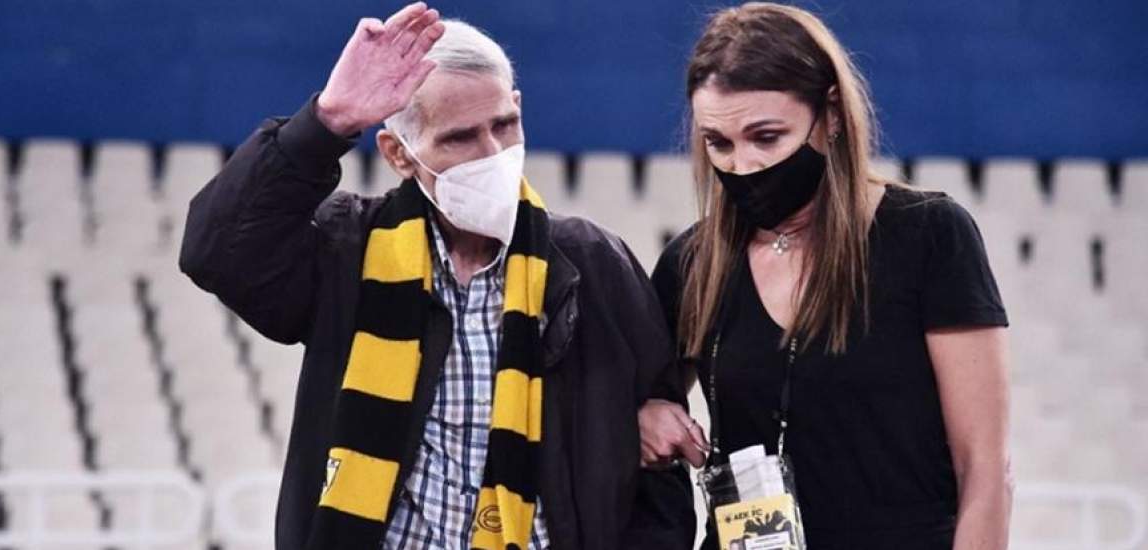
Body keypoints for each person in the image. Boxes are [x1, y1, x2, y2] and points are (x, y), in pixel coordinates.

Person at [179, 4, 692, 549]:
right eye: (459, 138)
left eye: (504, 125)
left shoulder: (592, 263)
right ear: (399, 154)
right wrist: (328, 121)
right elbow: (216, 250)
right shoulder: (347, 250)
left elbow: (659, 463)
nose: (492, 154)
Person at [638, 3, 1012, 549]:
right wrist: (646, 414)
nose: (743, 165)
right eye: (719, 143)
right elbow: (626, 406)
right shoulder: (691, 263)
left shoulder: (929, 235)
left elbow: (984, 468)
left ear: (831, 114)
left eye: (767, 137)